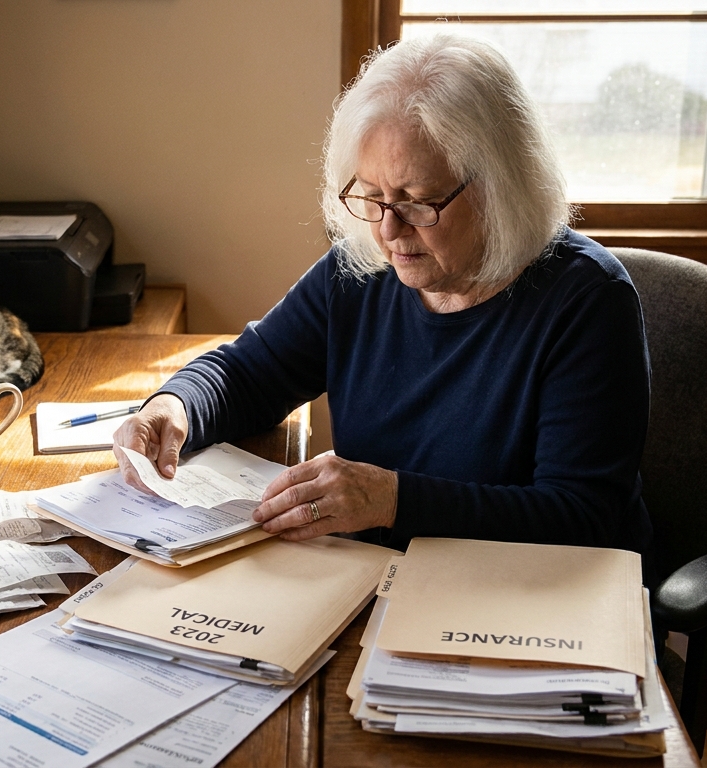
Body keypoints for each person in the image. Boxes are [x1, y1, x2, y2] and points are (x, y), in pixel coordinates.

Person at [112, 33, 654, 576]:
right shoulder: (362, 270)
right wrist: (172, 406)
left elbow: (583, 519)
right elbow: (250, 372)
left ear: (499, 188)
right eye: (371, 195)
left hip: (526, 599)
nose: (388, 230)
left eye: (417, 201)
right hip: (378, 578)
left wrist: (394, 501)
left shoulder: (588, 303)